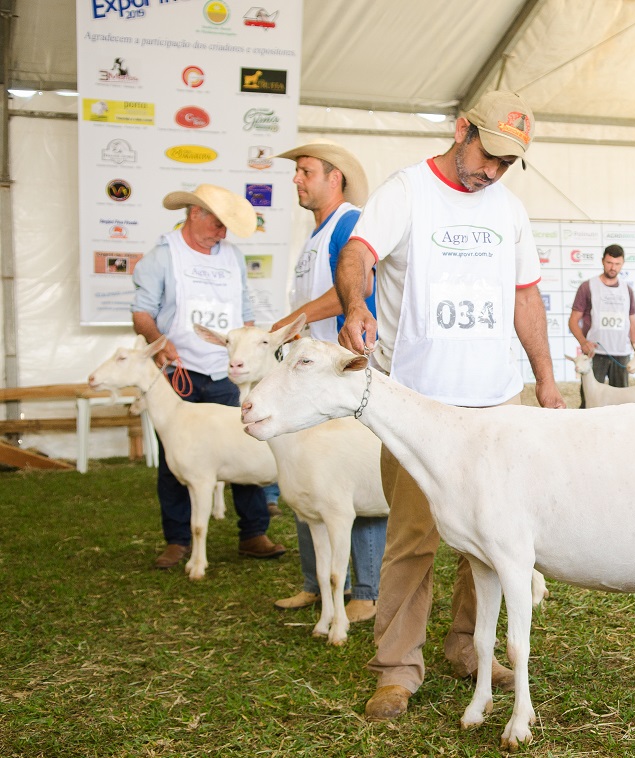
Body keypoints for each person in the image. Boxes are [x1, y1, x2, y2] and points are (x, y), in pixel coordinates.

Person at [334, 90, 565, 722]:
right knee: (413, 537)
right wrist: (354, 305)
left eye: (507, 164)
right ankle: (396, 667)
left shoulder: (509, 210)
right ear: (462, 130)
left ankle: (468, 645)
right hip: (418, 404)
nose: (493, 171)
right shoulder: (407, 191)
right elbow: (357, 253)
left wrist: (546, 382)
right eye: (488, 155)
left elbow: (525, 297)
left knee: (490, 538)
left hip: (495, 404)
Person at [131, 184, 285, 569]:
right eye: (218, 223)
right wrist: (158, 341)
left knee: (245, 447)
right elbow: (142, 313)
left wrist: (249, 354)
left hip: (225, 374)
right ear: (194, 214)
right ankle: (178, 540)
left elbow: (245, 314)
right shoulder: (162, 256)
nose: (223, 232)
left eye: (227, 225)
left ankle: (253, 533)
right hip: (179, 373)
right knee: (177, 459)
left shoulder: (233, 258)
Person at [268, 139, 386, 624]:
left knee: (353, 479)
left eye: (306, 171)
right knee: (306, 477)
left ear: (335, 177)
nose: (296, 179)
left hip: (343, 375)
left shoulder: (349, 223)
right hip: (311, 380)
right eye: (297, 172)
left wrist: (293, 319)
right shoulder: (316, 234)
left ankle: (367, 591)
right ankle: (316, 584)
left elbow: (357, 291)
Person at [568, 243, 635, 406]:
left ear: (622, 264)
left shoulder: (627, 290)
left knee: (622, 403)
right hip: (595, 354)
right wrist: (583, 342)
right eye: (609, 263)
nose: (613, 267)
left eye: (617, 264)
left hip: (621, 354)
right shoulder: (587, 287)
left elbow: (633, 324)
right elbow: (573, 320)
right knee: (589, 402)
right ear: (602, 261)